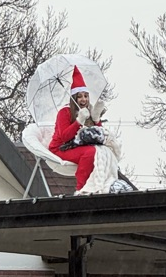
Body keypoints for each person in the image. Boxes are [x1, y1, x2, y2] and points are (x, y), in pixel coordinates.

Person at [48, 65, 120, 194]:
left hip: (79, 146)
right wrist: (78, 121)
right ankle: (82, 188)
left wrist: (96, 120)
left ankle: (104, 184)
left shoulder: (88, 112)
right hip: (61, 148)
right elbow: (65, 137)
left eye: (86, 96)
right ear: (74, 98)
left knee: (103, 151)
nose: (83, 99)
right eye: (80, 96)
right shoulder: (64, 112)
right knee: (90, 152)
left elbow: (97, 136)